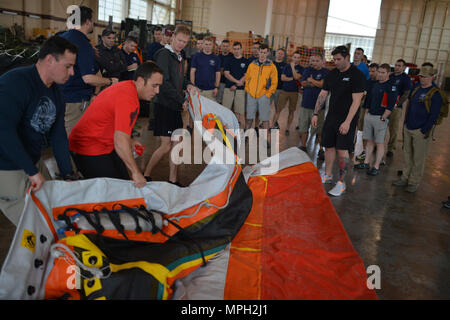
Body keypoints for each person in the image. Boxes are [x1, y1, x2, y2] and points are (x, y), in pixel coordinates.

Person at [0, 36, 78, 225]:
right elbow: (4, 131)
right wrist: (31, 170)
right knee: (35, 224)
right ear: (50, 60)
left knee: (55, 209)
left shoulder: (57, 93)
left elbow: (58, 136)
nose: (73, 72)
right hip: (7, 164)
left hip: (32, 159)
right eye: (68, 66)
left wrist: (67, 174)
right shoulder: (15, 82)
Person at [69, 62, 163, 188]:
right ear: (140, 81)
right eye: (154, 86)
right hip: (87, 147)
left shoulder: (128, 88)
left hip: (103, 143)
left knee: (124, 184)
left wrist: (130, 140)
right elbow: (120, 140)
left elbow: (117, 128)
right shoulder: (128, 98)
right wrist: (136, 172)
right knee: (116, 192)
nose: (157, 91)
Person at [143, 25, 197, 186]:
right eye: (179, 40)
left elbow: (180, 78)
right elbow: (164, 83)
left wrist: (189, 84)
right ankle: (145, 174)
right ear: (172, 36)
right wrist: (182, 100)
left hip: (174, 106)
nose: (181, 44)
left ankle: (173, 179)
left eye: (185, 42)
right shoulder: (164, 55)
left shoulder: (178, 56)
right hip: (165, 105)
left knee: (176, 143)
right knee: (166, 145)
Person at [311, 45, 365, 197]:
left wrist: (348, 122)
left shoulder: (357, 75)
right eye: (333, 59)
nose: (335, 62)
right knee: (328, 147)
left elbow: (356, 101)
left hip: (347, 119)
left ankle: (341, 182)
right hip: (331, 117)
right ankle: (327, 174)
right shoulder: (332, 74)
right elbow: (323, 94)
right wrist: (315, 113)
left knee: (342, 150)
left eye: (338, 59)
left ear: (347, 58)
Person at [60, 6, 118, 135]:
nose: (92, 23)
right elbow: (88, 78)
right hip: (75, 100)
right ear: (87, 22)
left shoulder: (62, 37)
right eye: (92, 21)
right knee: (73, 139)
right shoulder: (83, 43)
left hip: (58, 96)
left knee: (61, 135)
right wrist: (110, 81)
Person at [392, 65, 444, 193]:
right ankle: (404, 178)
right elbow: (409, 105)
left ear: (432, 77)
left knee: (418, 158)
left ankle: (413, 182)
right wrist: (405, 123)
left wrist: (424, 130)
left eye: (425, 77)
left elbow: (434, 115)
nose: (422, 79)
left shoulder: (435, 94)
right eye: (421, 76)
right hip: (408, 126)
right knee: (407, 154)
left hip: (421, 130)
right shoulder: (416, 88)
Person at [354, 63, 397, 175]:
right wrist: (367, 114)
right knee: (369, 142)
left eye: (383, 73)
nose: (380, 75)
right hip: (370, 116)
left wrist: (383, 118)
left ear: (388, 73)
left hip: (380, 118)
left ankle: (376, 166)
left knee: (379, 143)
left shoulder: (391, 87)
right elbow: (368, 100)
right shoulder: (375, 84)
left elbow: (391, 105)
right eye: (379, 72)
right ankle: (367, 162)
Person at [244, 43, 278, 145]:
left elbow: (274, 83)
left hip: (264, 96)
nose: (262, 54)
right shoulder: (252, 65)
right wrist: (247, 89)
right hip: (251, 95)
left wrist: (267, 94)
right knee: (249, 117)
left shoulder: (272, 67)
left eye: (264, 52)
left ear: (267, 53)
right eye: (261, 52)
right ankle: (246, 135)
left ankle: (265, 140)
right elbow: (247, 78)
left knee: (264, 119)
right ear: (258, 52)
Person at [298, 53, 328, 152]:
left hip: (319, 107)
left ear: (322, 61)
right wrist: (316, 83)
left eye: (317, 61)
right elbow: (303, 83)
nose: (314, 63)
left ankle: (320, 150)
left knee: (319, 130)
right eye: (313, 60)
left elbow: (323, 85)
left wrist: (311, 80)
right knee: (303, 127)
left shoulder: (326, 72)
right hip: (305, 104)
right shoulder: (307, 70)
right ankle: (303, 146)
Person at [272, 51, 303, 136]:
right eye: (294, 57)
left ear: (300, 59)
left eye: (298, 57)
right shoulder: (286, 66)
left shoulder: (301, 68)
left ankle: (287, 128)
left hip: (294, 92)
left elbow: (297, 77)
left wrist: (293, 68)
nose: (296, 59)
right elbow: (282, 78)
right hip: (284, 91)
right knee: (278, 109)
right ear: (292, 58)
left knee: (291, 111)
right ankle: (272, 126)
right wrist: (293, 79)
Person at [386, 58, 412, 157]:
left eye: (399, 66)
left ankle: (391, 149)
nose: (397, 67)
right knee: (382, 128)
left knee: (393, 129)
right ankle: (378, 145)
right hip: (385, 106)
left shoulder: (406, 78)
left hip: (396, 109)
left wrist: (396, 104)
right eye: (396, 65)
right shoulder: (390, 76)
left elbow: (406, 94)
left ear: (404, 67)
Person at [355, 63, 379, 162]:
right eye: (370, 71)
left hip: (375, 111)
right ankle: (364, 150)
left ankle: (377, 153)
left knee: (375, 133)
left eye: (373, 71)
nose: (371, 73)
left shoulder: (380, 84)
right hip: (365, 109)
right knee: (363, 131)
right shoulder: (367, 82)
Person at [223, 41, 248, 126]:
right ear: (232, 50)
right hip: (229, 88)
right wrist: (237, 82)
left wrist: (236, 85)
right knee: (226, 109)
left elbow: (246, 75)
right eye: (235, 49)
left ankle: (235, 126)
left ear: (241, 49)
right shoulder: (229, 60)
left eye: (238, 49)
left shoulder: (246, 61)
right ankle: (226, 126)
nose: (236, 51)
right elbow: (226, 74)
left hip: (240, 89)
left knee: (238, 110)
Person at [271, 48, 288, 129]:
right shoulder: (271, 64)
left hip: (279, 89)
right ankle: (264, 122)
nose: (280, 55)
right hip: (270, 89)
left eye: (281, 54)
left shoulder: (285, 66)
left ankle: (274, 123)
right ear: (275, 54)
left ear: (284, 55)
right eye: (278, 53)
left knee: (277, 108)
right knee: (265, 107)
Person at [217, 39, 231, 104]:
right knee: (218, 102)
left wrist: (222, 70)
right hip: (220, 82)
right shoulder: (218, 57)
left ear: (229, 47)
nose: (225, 48)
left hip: (229, 84)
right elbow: (217, 71)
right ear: (221, 47)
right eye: (224, 46)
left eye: (227, 46)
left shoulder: (232, 57)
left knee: (227, 104)